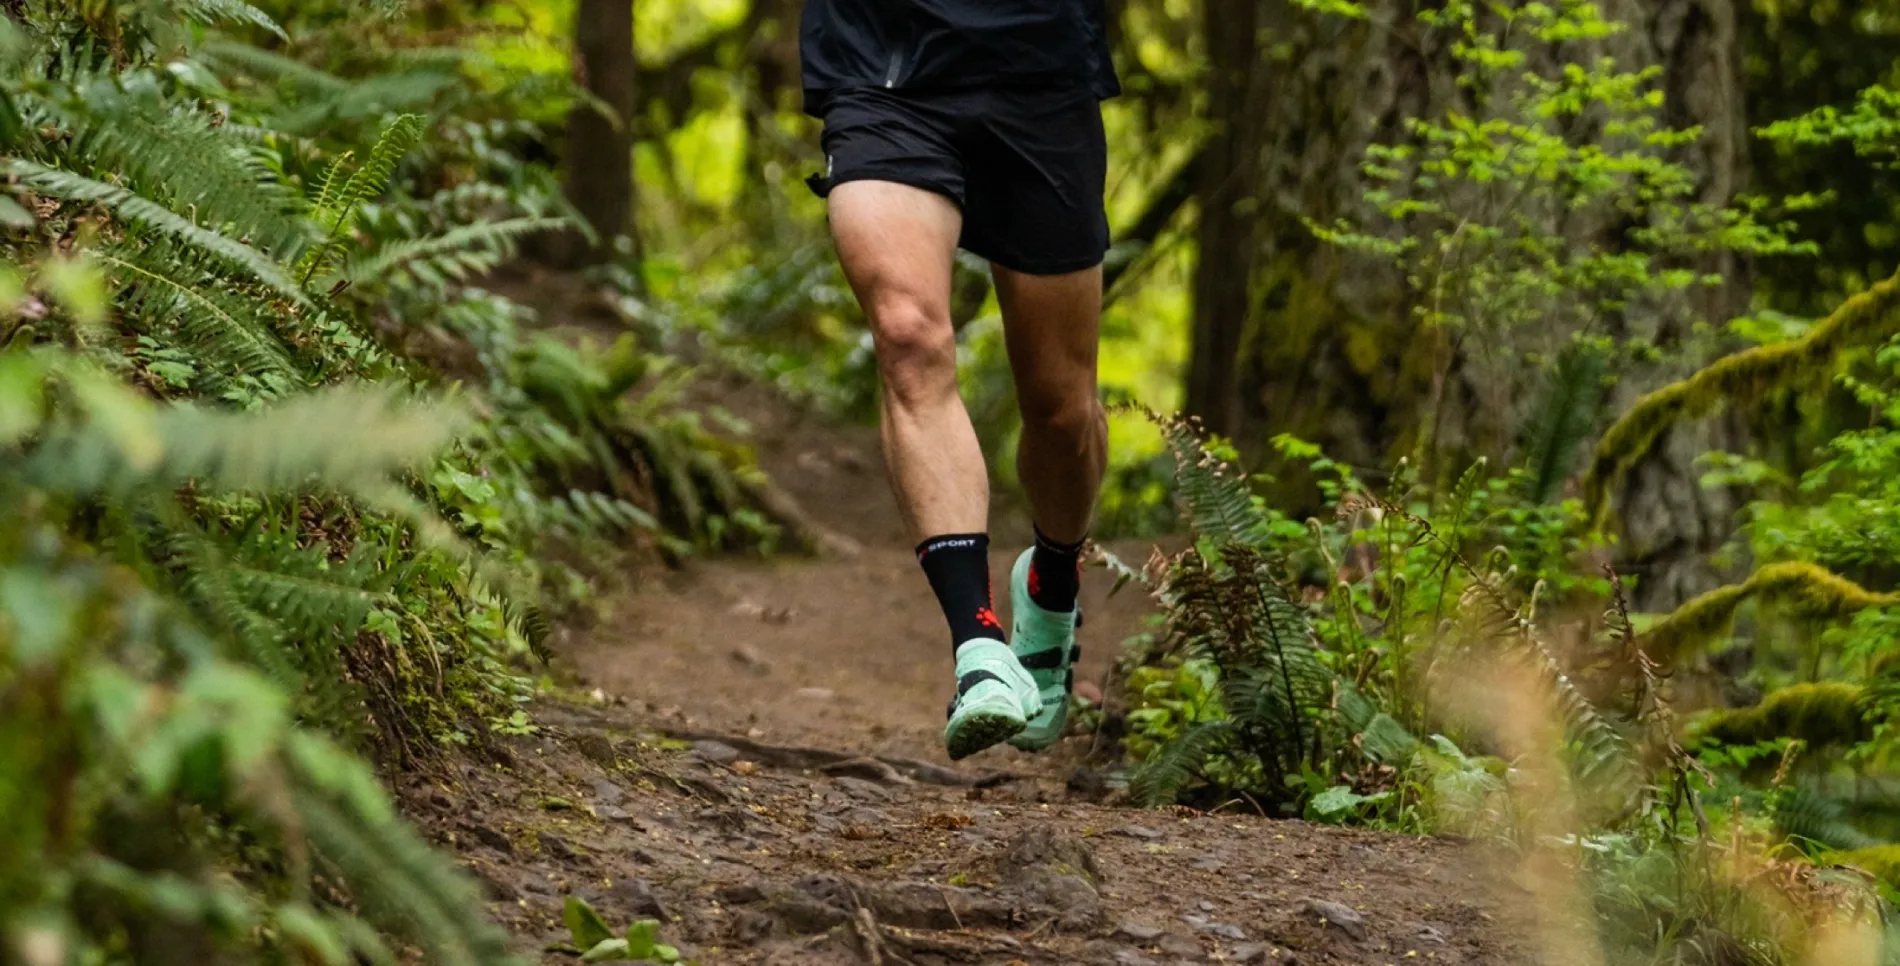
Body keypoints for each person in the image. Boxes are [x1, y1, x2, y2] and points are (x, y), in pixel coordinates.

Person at [798, 0, 1119, 759]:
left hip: (1039, 74)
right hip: (882, 71)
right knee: (909, 336)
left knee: (1062, 409)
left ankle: (1051, 585)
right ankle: (979, 650)